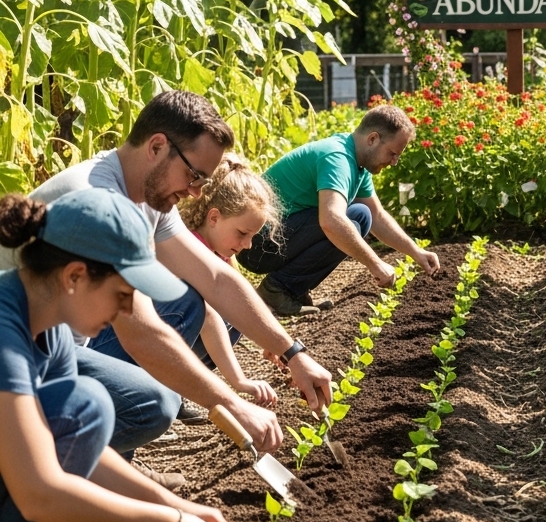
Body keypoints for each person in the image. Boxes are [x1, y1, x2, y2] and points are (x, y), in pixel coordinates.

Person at [0, 190, 237, 522]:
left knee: (83, 407)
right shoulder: (4, 332)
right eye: (123, 294)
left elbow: (73, 448)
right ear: (74, 277)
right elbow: (39, 490)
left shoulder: (51, 326)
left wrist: (182, 510)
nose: (128, 308)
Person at [20, 91, 334, 462]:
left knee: (186, 301)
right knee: (150, 403)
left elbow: (215, 278)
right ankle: (35, 468)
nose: (195, 192)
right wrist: (231, 402)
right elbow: (141, 333)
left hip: (56, 347)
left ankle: (103, 466)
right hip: (22, 357)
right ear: (156, 146)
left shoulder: (144, 196)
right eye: (193, 175)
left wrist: (293, 353)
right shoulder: (101, 202)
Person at [240, 105, 440, 315]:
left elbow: (377, 216)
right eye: (392, 153)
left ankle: (293, 290)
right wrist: (376, 264)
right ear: (372, 139)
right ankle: (277, 289)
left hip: (275, 238)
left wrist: (416, 252)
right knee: (344, 223)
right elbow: (331, 220)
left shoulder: (356, 162)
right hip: (255, 243)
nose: (394, 162)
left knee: (361, 215)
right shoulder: (337, 158)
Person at [178, 156, 281, 407]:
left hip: (173, 337)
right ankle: (172, 385)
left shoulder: (219, 250)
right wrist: (239, 381)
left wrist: (272, 340)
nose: (247, 245)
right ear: (213, 217)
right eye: (243, 233)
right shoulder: (190, 249)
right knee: (226, 315)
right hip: (144, 345)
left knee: (240, 310)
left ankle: (176, 389)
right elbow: (208, 318)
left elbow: (242, 294)